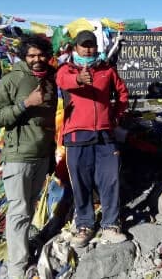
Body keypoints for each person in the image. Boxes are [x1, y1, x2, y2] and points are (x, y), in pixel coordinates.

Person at [0, 35, 57, 279]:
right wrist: (25, 103)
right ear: (24, 57)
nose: (37, 60)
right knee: (19, 211)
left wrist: (50, 154)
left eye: (41, 55)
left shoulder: (51, 79)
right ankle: (17, 269)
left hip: (41, 155)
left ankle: (23, 251)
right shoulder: (12, 80)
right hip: (18, 156)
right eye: (31, 56)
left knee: (28, 208)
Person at [56, 29, 129, 247]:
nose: (88, 49)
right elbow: (63, 81)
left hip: (105, 134)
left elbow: (122, 94)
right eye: (83, 45)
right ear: (75, 48)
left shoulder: (107, 70)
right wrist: (79, 79)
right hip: (77, 135)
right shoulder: (66, 69)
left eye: (91, 45)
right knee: (80, 182)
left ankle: (110, 224)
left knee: (110, 180)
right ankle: (85, 224)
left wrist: (116, 116)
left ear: (96, 48)